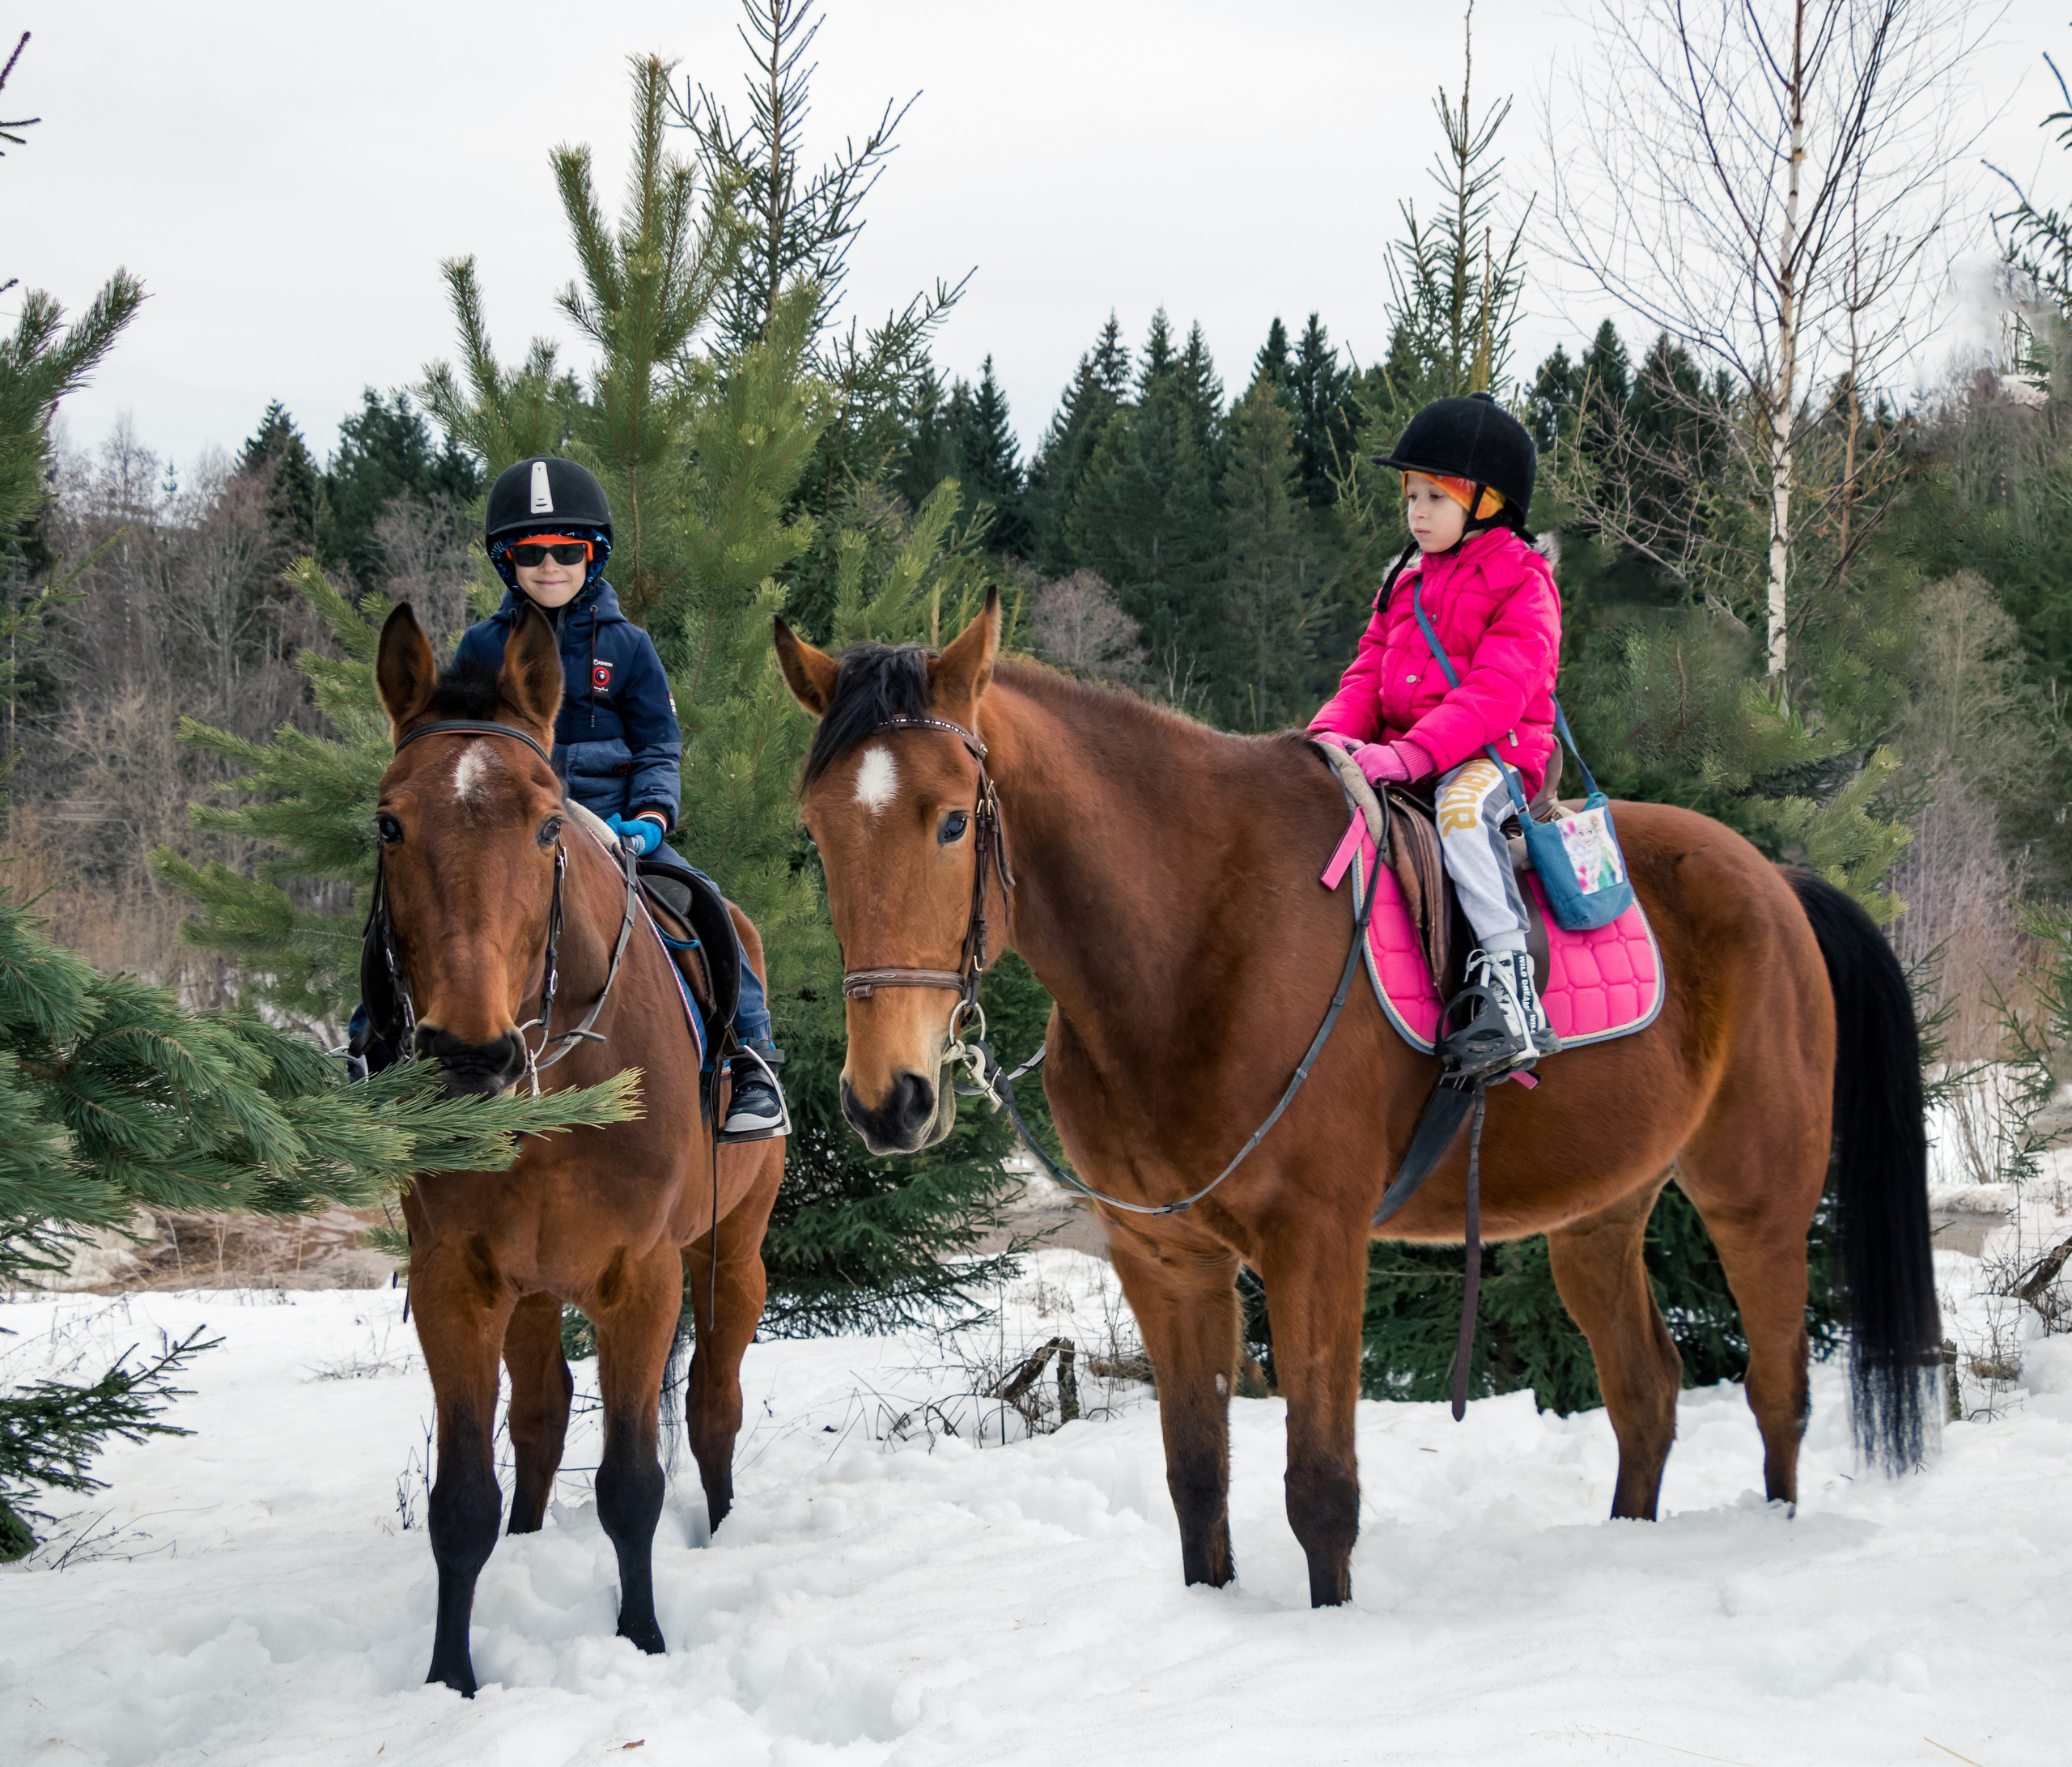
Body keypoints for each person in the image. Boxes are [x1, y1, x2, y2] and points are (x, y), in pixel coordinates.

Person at [353, 455, 787, 1140]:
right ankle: (369, 1052)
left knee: (705, 904)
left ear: (595, 556)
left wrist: (650, 815)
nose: (549, 564)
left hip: (617, 819)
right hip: (510, 822)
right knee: (397, 919)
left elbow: (658, 744)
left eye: (568, 551)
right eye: (531, 552)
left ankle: (753, 1057)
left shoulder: (630, 647)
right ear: (507, 561)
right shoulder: (481, 643)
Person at [1310, 392, 1562, 1073]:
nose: (1416, 512)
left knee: (1457, 810)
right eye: (1411, 495)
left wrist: (1411, 754)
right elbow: (1366, 673)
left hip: (1494, 756)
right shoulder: (1406, 579)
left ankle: (1513, 998)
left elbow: (1495, 694)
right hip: (1399, 753)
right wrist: (1326, 739)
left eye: (1434, 498)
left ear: (1485, 503)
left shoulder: (1526, 585)